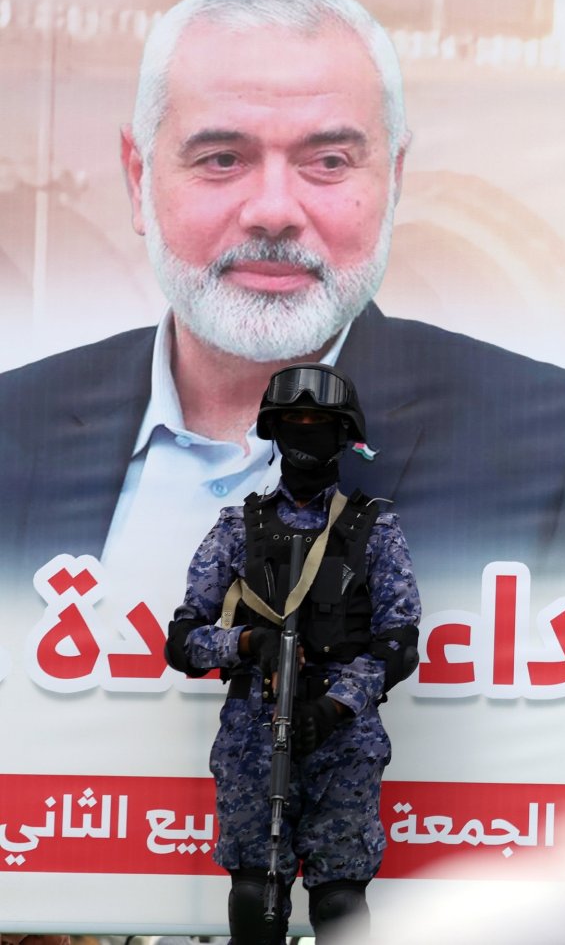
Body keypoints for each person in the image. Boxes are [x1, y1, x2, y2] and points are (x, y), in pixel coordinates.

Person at [0, 0, 565, 609]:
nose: (273, 210)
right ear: (138, 178)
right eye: (222, 159)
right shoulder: (13, 429)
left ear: (394, 179)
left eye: (327, 162)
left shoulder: (560, 456)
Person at [165, 363, 421, 943]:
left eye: (318, 423)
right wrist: (247, 643)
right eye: (293, 422)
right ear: (273, 434)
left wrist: (333, 708)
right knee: (256, 889)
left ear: (343, 436)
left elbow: (399, 643)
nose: (305, 433)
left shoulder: (375, 528)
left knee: (339, 896)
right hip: (253, 733)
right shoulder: (237, 528)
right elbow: (183, 641)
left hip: (343, 737)